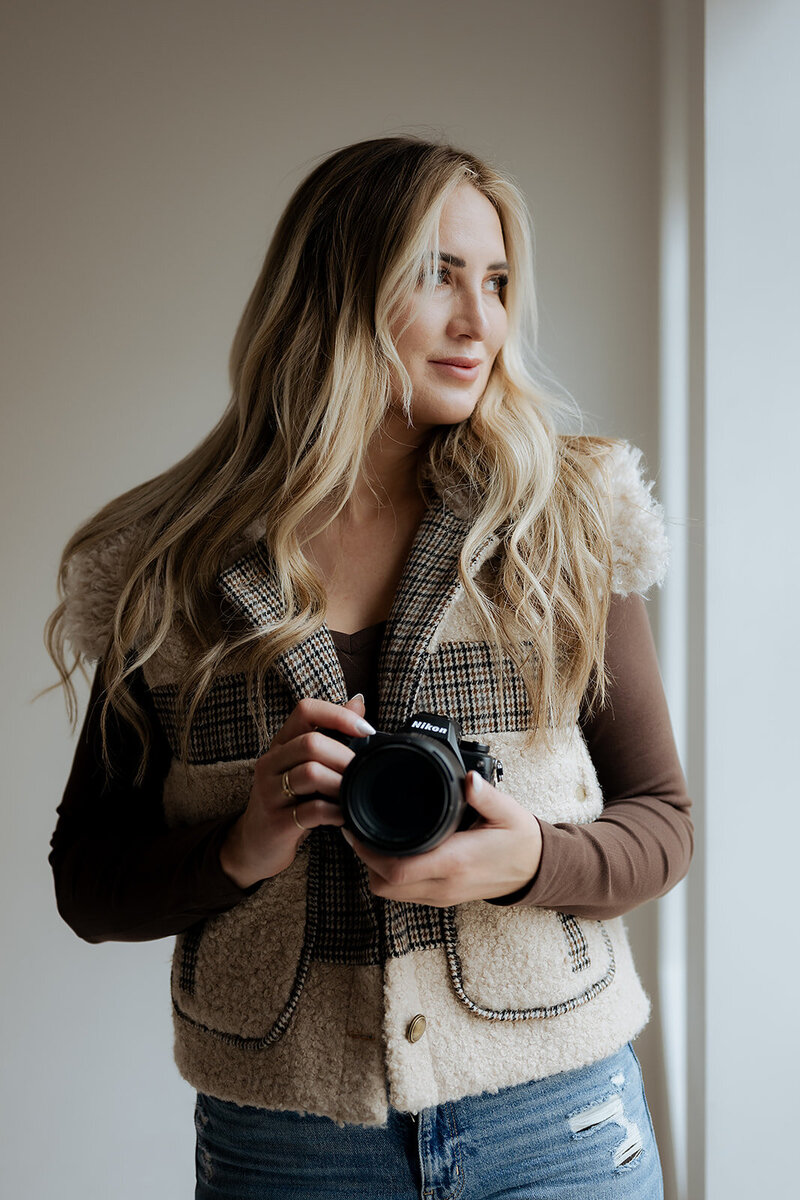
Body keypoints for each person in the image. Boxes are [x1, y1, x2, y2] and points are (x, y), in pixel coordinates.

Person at [47, 136, 692, 1199]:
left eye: (493, 283)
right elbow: (89, 881)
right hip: (286, 1147)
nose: (479, 321)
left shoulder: (567, 525)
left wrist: (529, 857)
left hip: (555, 1126)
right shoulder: (160, 571)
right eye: (436, 275)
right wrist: (243, 844)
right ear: (334, 288)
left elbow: (660, 823)